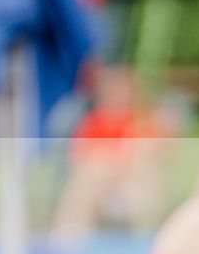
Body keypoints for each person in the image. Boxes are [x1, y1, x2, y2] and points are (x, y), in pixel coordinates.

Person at [52, 63, 183, 240]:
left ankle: (145, 242)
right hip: (101, 189)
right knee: (95, 170)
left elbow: (159, 154)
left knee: (144, 167)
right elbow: (79, 160)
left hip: (134, 186)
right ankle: (68, 241)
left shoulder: (144, 120)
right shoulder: (93, 122)